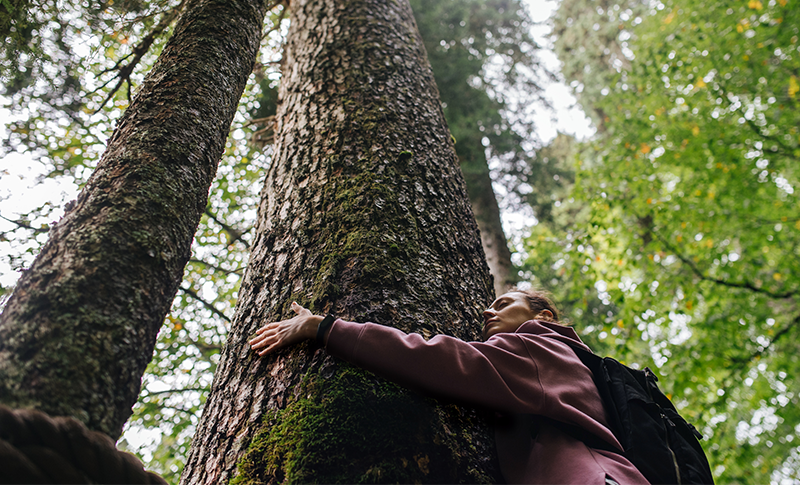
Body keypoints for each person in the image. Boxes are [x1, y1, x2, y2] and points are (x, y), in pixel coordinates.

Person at [249, 290, 649, 484]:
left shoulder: (538, 344)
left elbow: (442, 360)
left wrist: (325, 328)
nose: (487, 311)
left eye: (504, 303)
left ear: (542, 315)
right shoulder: (568, 363)